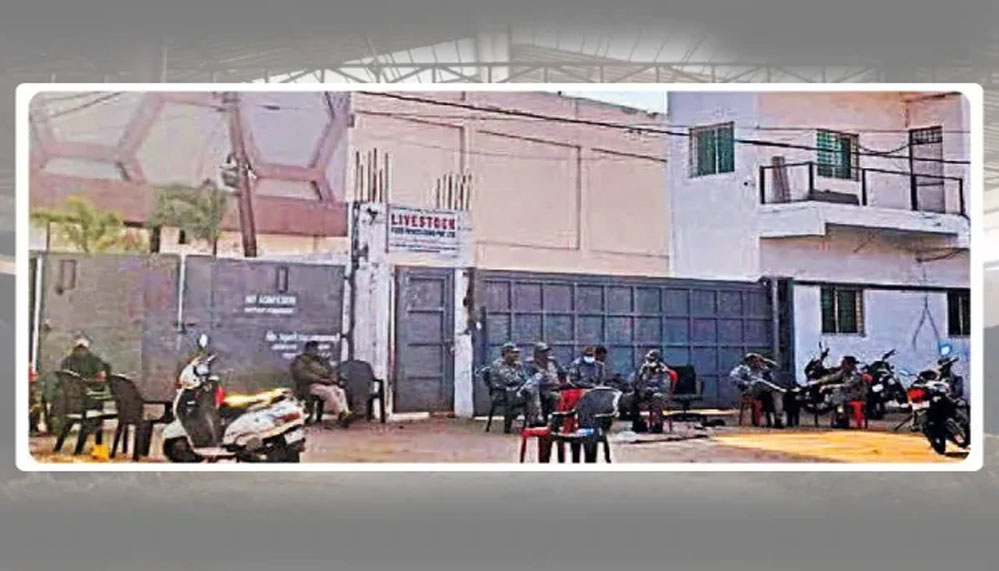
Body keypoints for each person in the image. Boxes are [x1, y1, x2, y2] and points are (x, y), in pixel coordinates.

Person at [291, 341, 356, 428]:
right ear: (307, 350)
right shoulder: (300, 360)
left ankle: (345, 413)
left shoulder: (321, 360)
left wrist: (333, 379)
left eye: (316, 349)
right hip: (310, 385)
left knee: (340, 391)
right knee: (328, 391)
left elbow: (331, 371)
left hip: (326, 384)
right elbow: (302, 374)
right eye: (312, 349)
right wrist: (320, 380)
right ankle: (341, 413)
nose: (315, 351)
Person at [490, 342, 542, 426]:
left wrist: (526, 380)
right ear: (506, 353)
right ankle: (535, 419)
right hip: (503, 393)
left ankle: (534, 419)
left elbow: (524, 377)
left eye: (517, 353)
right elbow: (509, 380)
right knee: (532, 392)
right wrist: (522, 381)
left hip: (516, 390)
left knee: (533, 388)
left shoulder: (517, 364)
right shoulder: (498, 364)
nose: (516, 355)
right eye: (513, 353)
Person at [729, 352, 786, 428]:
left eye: (758, 360)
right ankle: (780, 390)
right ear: (748, 361)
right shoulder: (742, 368)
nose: (756, 362)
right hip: (750, 391)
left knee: (777, 394)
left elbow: (776, 366)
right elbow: (733, 378)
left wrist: (764, 360)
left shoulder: (762, 369)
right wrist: (747, 383)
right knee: (758, 382)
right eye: (754, 361)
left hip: (764, 392)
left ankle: (778, 420)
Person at [628, 349, 674, 433]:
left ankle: (658, 424)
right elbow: (634, 381)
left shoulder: (663, 371)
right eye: (648, 359)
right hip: (645, 393)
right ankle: (639, 423)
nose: (649, 361)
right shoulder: (644, 369)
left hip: (660, 394)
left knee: (657, 397)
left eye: (652, 359)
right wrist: (639, 376)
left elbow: (665, 386)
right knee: (631, 398)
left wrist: (652, 389)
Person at [819, 355, 868, 428]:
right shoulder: (844, 372)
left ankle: (841, 417)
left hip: (857, 395)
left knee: (838, 395)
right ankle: (840, 415)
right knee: (837, 395)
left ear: (851, 365)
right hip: (847, 393)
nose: (842, 365)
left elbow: (847, 385)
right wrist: (819, 381)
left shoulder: (856, 374)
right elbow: (833, 377)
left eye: (844, 364)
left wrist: (829, 386)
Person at [524, 342, 564, 423]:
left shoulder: (553, 362)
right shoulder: (531, 365)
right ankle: (538, 420)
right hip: (539, 390)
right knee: (553, 397)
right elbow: (529, 381)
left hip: (555, 388)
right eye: (542, 352)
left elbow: (562, 373)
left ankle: (559, 422)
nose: (545, 354)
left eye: (546, 352)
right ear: (537, 353)